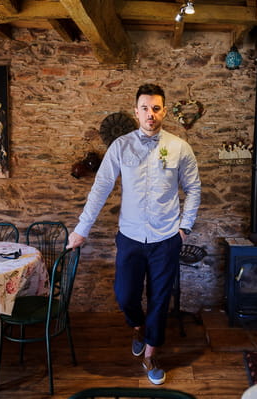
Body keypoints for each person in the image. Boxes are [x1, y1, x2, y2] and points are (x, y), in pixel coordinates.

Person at [67, 83, 201, 385]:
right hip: (129, 236)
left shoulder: (180, 147)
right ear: (136, 111)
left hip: (166, 238)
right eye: (145, 108)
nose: (150, 114)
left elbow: (193, 190)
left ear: (164, 110)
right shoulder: (121, 146)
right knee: (125, 294)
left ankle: (151, 353)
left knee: (159, 298)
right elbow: (100, 188)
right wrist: (81, 229)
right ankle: (138, 326)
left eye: (156, 108)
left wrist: (184, 228)